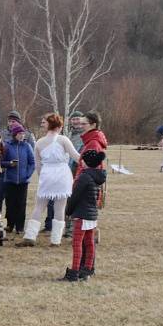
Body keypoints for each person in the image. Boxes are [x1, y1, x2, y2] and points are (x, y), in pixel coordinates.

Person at [16, 113, 82, 247]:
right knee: (60, 207)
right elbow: (76, 157)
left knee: (39, 206)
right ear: (58, 126)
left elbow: (38, 165)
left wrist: (43, 177)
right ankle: (55, 240)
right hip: (62, 174)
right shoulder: (64, 140)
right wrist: (91, 163)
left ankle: (30, 236)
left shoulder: (39, 142)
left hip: (47, 174)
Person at [61, 149, 107, 282]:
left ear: (87, 162)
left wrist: (68, 211)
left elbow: (75, 196)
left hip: (82, 214)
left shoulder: (84, 176)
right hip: (92, 215)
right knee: (89, 243)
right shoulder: (97, 176)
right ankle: (86, 270)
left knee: (77, 244)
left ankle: (74, 272)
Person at [75, 110, 109, 269]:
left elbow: (93, 169)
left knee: (85, 234)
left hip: (87, 191)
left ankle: (84, 267)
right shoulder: (91, 140)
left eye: (84, 124)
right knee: (87, 231)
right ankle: (87, 267)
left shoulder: (94, 142)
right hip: (87, 188)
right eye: (80, 123)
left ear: (93, 125)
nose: (80, 126)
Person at [0, 124, 35, 234]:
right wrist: (9, 164)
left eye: (23, 133)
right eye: (20, 133)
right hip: (10, 180)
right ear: (14, 134)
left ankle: (20, 227)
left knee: (21, 204)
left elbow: (32, 163)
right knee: (10, 204)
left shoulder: (27, 146)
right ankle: (10, 225)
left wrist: (27, 175)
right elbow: (0, 162)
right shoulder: (7, 146)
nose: (22, 135)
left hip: (23, 181)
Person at [64, 111, 85, 237]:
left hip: (79, 170)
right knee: (67, 200)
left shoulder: (85, 135)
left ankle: (77, 228)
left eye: (78, 119)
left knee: (78, 199)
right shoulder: (68, 134)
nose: (75, 121)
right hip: (66, 171)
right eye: (73, 119)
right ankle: (68, 228)